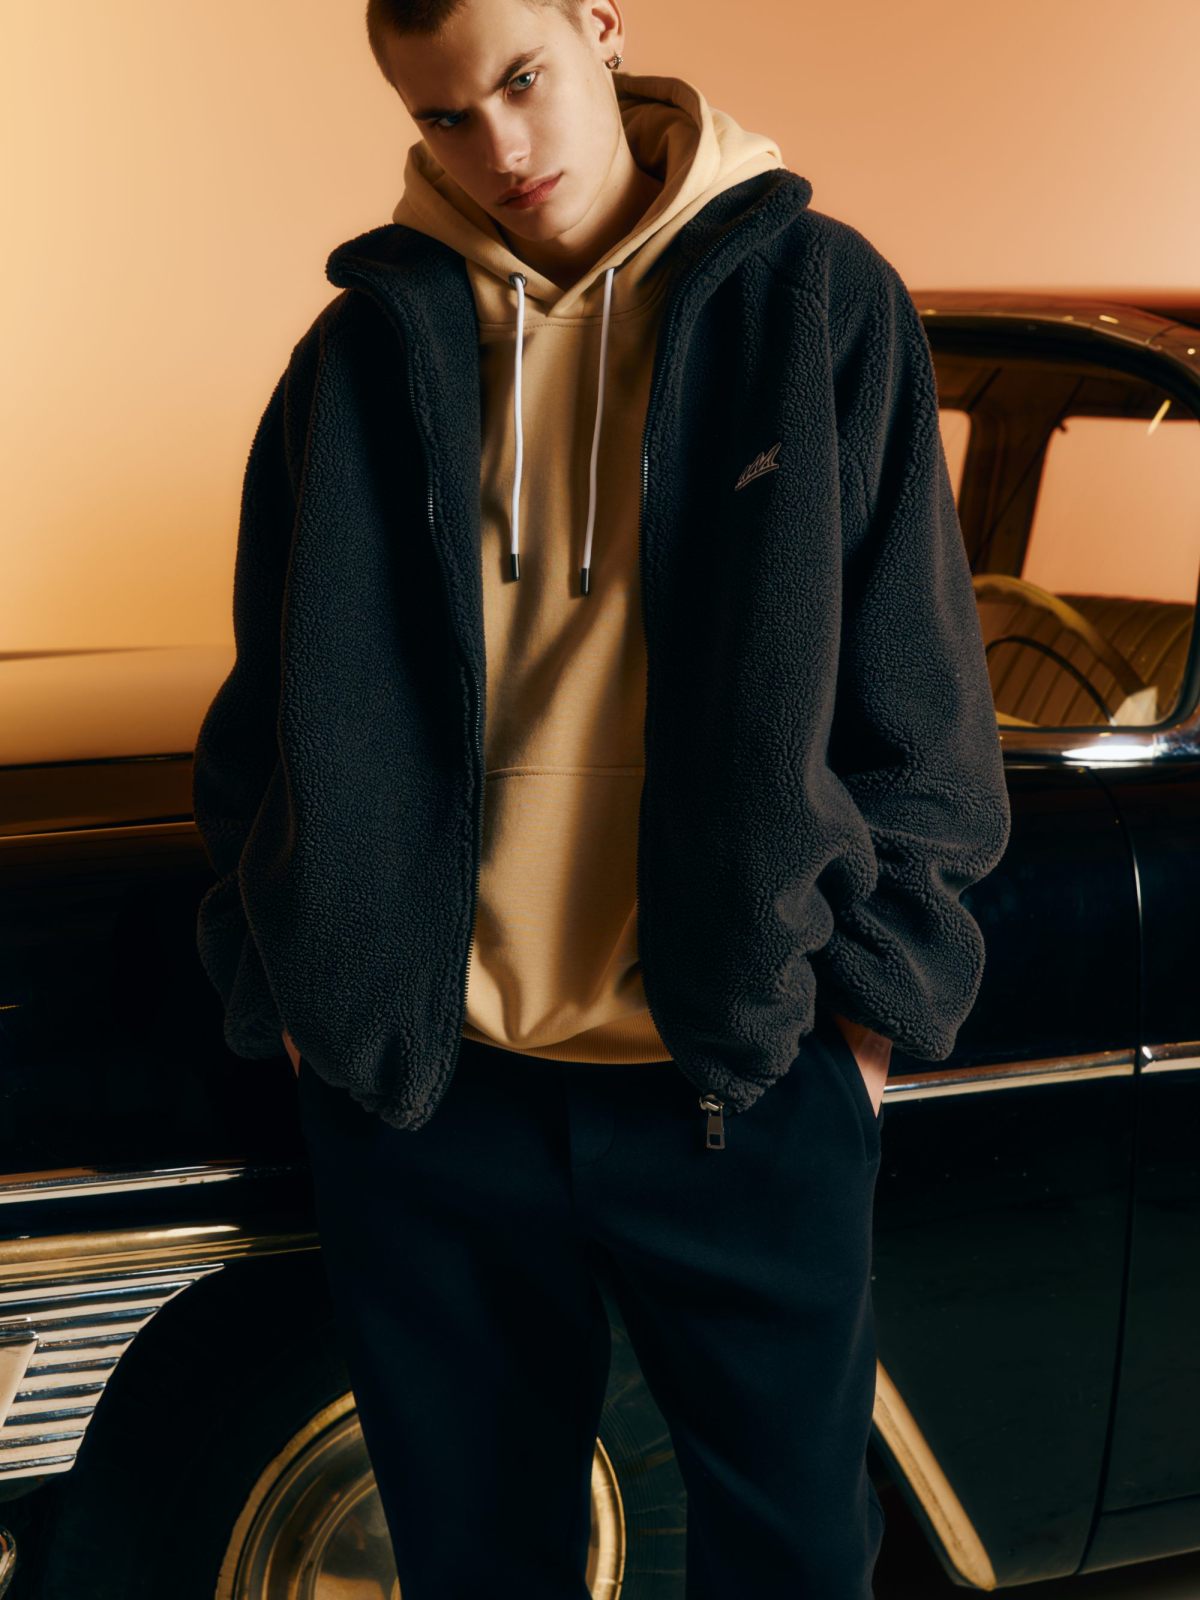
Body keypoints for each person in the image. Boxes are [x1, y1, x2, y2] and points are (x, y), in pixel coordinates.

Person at [191, 0, 1012, 1593]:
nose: (499, 147)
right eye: (444, 117)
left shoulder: (813, 298)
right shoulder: (359, 353)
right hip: (433, 1101)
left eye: (523, 80)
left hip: (733, 1078)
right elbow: (261, 721)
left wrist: (861, 1022)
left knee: (793, 1562)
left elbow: (921, 697)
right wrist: (299, 983)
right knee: (476, 1566)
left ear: (601, 26)